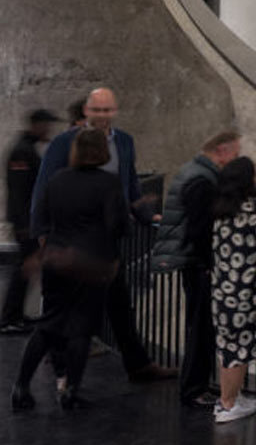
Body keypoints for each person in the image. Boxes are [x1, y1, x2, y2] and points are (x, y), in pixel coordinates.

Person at [31, 86, 172, 383]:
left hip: (105, 242)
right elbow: (44, 189)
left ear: (115, 111)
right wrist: (42, 236)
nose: (102, 116)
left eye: (107, 110)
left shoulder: (124, 142)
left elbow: (131, 187)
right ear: (86, 111)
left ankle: (138, 365)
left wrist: (148, 216)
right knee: (64, 311)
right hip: (70, 242)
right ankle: (62, 371)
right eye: (97, 110)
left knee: (119, 304)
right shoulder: (64, 143)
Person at [10, 129, 129, 412]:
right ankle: (70, 391)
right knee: (81, 329)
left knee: (47, 325)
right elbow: (118, 226)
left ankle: (21, 387)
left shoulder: (57, 180)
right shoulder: (108, 183)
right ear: (103, 151)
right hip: (91, 264)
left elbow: (40, 218)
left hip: (56, 260)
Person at [151, 129, 243, 407]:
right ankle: (193, 389)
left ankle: (200, 384)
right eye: (235, 155)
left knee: (201, 326)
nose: (235, 161)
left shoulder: (195, 172)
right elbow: (200, 228)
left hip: (195, 262)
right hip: (198, 264)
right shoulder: (201, 179)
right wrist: (208, 264)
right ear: (222, 151)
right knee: (200, 328)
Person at [210, 156, 256, 424]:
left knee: (228, 346)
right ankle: (227, 404)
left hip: (224, 290)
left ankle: (232, 397)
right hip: (247, 292)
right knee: (239, 349)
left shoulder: (224, 209)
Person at [2, 109, 61, 334]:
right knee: (23, 269)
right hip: (25, 223)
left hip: (27, 221)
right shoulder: (22, 152)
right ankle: (9, 318)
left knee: (25, 269)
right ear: (36, 125)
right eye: (46, 125)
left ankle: (15, 315)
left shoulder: (27, 149)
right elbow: (19, 192)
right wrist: (26, 225)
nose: (48, 130)